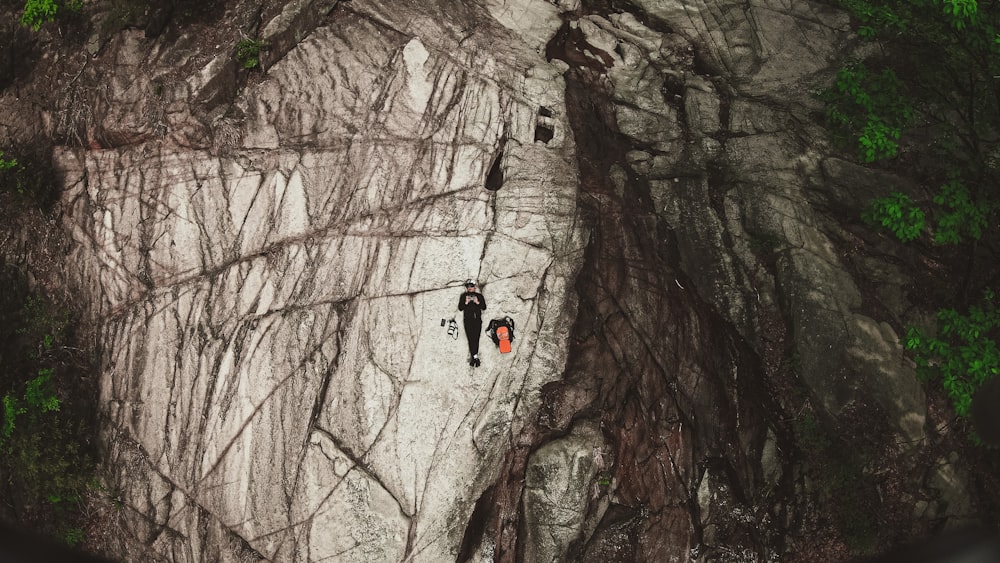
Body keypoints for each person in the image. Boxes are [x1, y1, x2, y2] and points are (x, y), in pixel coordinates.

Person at [458, 279, 486, 367]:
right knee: (470, 338)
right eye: (468, 287)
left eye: (471, 286)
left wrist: (477, 302)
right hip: (468, 321)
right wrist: (466, 302)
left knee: (476, 338)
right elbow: (460, 308)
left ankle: (474, 357)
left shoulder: (479, 296)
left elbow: (484, 307)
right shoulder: (464, 296)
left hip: (477, 320)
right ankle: (475, 357)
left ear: (475, 287)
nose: (470, 288)